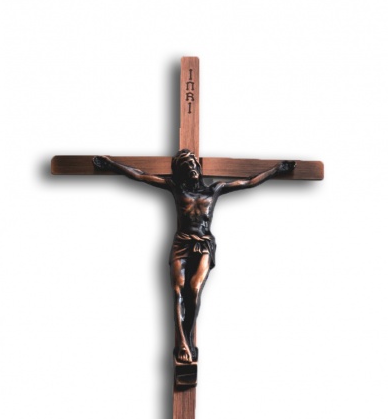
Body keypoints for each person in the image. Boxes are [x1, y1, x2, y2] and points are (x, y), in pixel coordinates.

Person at [93, 151, 295, 363]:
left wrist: (277, 169)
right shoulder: (176, 187)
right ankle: (182, 342)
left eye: (192, 164)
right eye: (185, 166)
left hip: (203, 244)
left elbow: (250, 182)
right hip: (181, 243)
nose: (190, 168)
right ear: (180, 172)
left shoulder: (215, 189)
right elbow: (140, 175)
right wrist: (111, 164)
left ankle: (188, 339)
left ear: (198, 166)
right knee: (177, 290)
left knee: (194, 289)